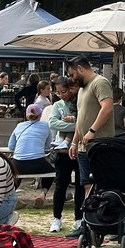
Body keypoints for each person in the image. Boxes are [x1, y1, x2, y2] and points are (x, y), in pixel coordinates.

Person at [67, 55, 115, 238]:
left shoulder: (100, 82)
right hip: (83, 147)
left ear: (80, 68)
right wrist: (74, 141)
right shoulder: (82, 89)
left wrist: (92, 131)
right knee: (87, 186)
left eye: (72, 74)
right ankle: (89, 223)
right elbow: (81, 118)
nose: (72, 79)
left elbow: (107, 108)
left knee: (101, 186)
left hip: (99, 145)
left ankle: (102, 222)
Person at [48, 76, 85, 233]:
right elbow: (53, 123)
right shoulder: (57, 105)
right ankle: (57, 218)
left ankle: (78, 218)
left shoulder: (80, 102)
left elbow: (86, 122)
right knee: (60, 185)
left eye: (63, 91)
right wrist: (76, 125)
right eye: (58, 92)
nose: (61, 95)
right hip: (63, 151)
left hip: (80, 149)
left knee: (80, 185)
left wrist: (74, 125)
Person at [8, 104, 53, 208]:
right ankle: (42, 194)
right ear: (40, 115)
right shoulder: (45, 125)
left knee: (15, 173)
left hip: (18, 162)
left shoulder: (19, 126)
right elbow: (48, 146)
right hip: (37, 162)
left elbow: (11, 146)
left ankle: (12, 197)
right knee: (51, 172)